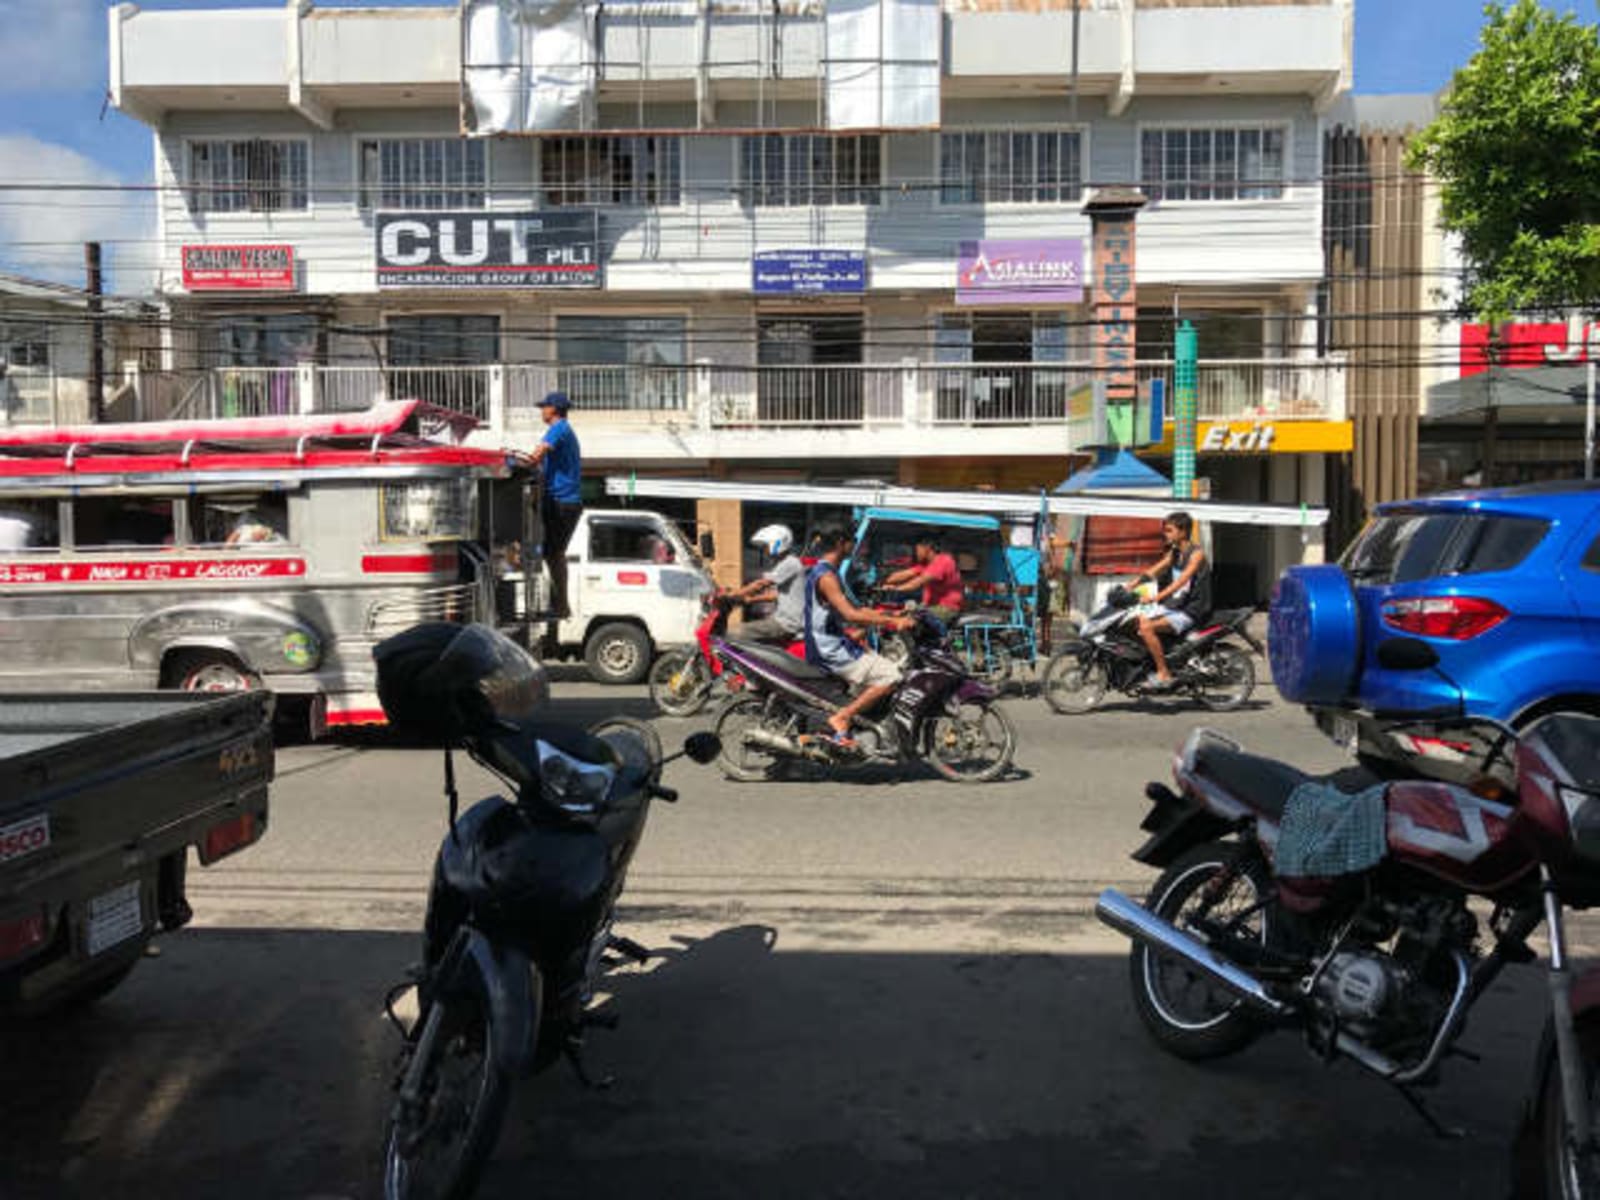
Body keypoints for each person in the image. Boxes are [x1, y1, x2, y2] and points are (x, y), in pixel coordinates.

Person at [804, 527, 915, 747]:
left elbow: (859, 610)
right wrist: (892, 623)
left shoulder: (829, 572)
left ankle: (861, 719)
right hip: (830, 649)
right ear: (839, 543)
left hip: (835, 641)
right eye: (852, 541)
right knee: (892, 676)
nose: (855, 546)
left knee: (876, 659)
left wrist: (891, 614)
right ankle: (843, 716)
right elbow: (850, 614)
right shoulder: (826, 576)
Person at [1133, 511, 1212, 691]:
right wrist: (1129, 586)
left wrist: (1155, 598)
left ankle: (1164, 673)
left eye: (1169, 530)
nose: (1165, 534)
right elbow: (1154, 570)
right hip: (1175, 606)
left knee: (1146, 627)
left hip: (1191, 610)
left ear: (1183, 532)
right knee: (1135, 619)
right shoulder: (1175, 553)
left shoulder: (1196, 554)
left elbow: (1181, 581)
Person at [528, 391, 582, 623]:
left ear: (554, 410)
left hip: (563, 501)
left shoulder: (559, 428)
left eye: (544, 407)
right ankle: (559, 604)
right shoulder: (562, 430)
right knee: (551, 552)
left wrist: (517, 465)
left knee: (554, 553)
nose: (542, 411)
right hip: (559, 500)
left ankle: (561, 606)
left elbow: (537, 455)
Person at [733, 523, 805, 644]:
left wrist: (733, 595)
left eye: (765, 546)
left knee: (735, 633)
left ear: (777, 544)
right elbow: (776, 594)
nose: (764, 550)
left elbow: (761, 584)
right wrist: (751, 600)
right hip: (783, 620)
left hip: (787, 624)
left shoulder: (789, 563)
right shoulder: (784, 563)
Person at [882, 536, 964, 626]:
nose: (916, 553)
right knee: (894, 613)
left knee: (906, 621)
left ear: (927, 548)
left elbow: (918, 582)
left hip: (946, 608)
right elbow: (906, 574)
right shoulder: (927, 564)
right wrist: (884, 581)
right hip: (930, 606)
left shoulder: (943, 560)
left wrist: (896, 588)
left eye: (917, 549)